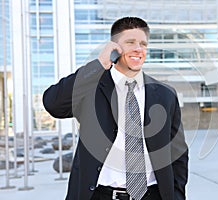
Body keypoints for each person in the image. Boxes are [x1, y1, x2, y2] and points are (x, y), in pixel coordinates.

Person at [43, 17, 188, 200]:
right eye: (130, 42)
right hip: (99, 195)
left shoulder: (166, 94)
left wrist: (176, 196)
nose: (138, 49)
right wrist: (99, 64)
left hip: (153, 195)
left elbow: (178, 153)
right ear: (114, 48)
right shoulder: (92, 88)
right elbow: (53, 104)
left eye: (143, 44)